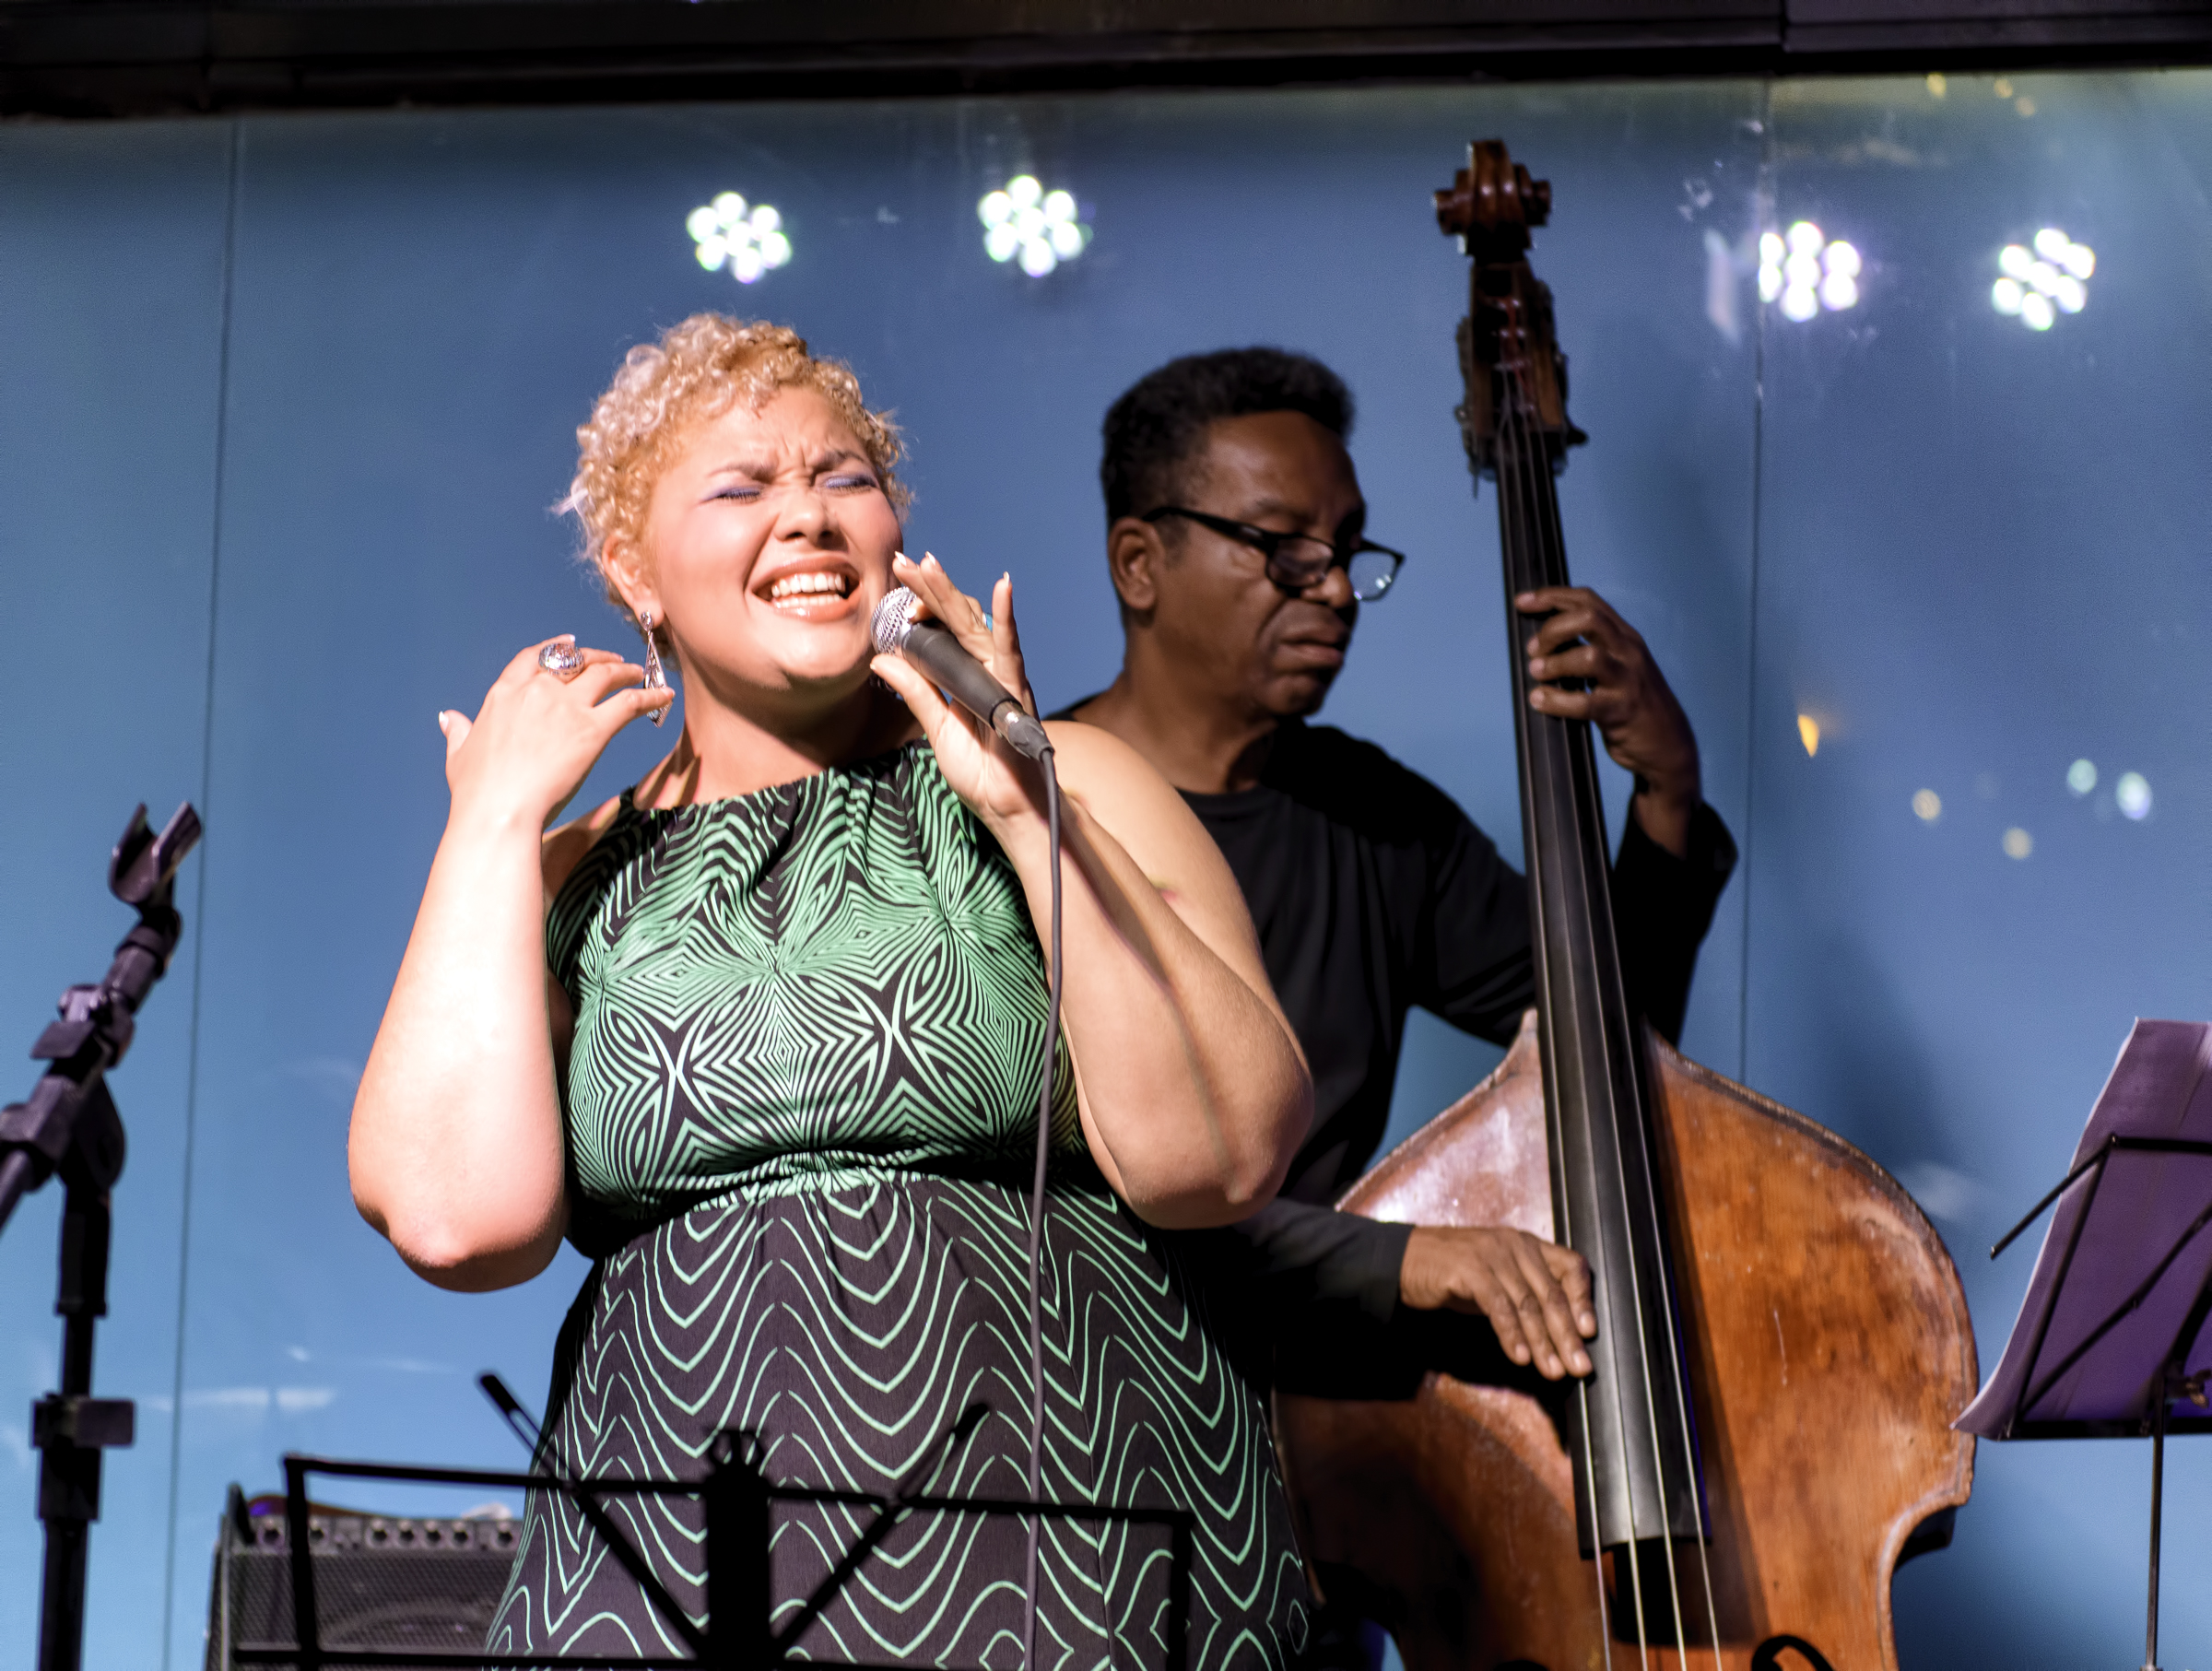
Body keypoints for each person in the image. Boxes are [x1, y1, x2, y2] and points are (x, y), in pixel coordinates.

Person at [347, 317, 1318, 1667]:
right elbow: (459, 1222)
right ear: (634, 568)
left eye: (844, 478)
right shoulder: (571, 872)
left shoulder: (1075, 780)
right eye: (742, 488)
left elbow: (1218, 1156)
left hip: (1074, 1564)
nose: (807, 516)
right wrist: (493, 829)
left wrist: (1027, 813)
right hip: (676, 1578)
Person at [1065, 346, 1738, 1394]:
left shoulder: (1378, 819)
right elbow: (1069, 1194)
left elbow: (1615, 1050)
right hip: (1094, 1404)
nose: (1336, 591)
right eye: (1284, 549)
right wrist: (1402, 1257)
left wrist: (1667, 794)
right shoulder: (1024, 814)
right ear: (1139, 563)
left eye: (1345, 549)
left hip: (1321, 1412)